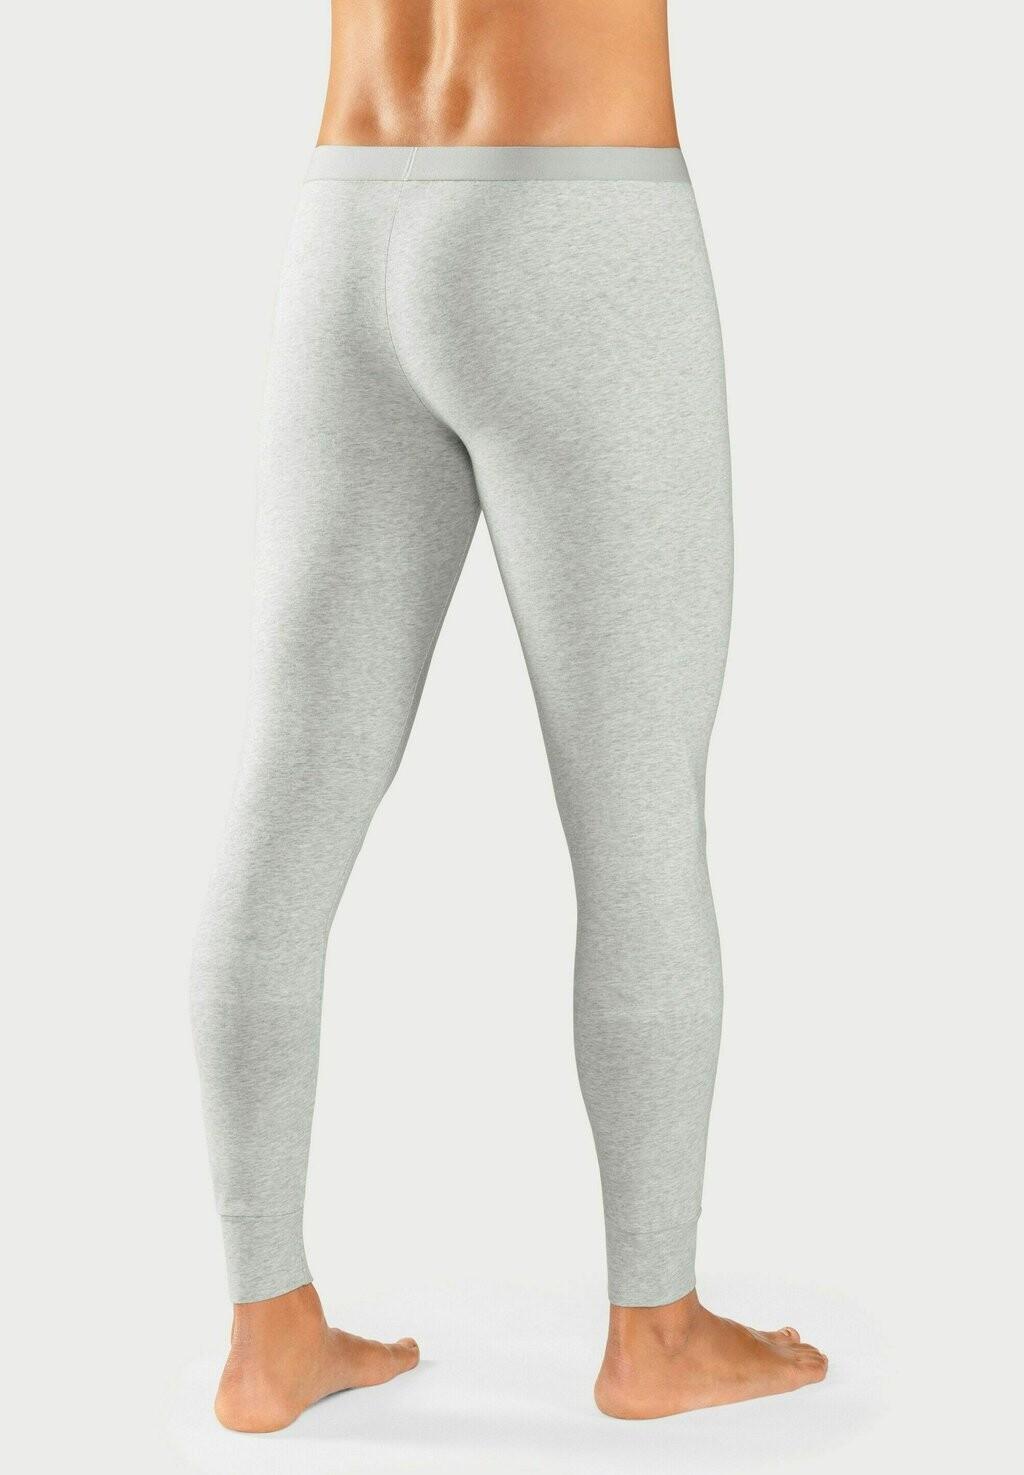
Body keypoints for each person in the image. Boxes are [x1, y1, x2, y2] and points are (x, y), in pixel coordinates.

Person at [190, 0, 828, 1433]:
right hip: (574, 213)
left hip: (351, 218)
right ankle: (656, 1330)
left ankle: (264, 1330)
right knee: (639, 815)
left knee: (285, 797)